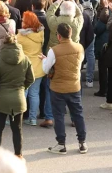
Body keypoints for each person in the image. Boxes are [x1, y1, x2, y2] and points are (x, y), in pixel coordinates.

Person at [41, 23, 87, 155]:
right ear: (71, 33)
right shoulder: (79, 47)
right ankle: (82, 143)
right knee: (78, 114)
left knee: (59, 116)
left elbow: (45, 69)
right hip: (74, 85)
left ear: (58, 36)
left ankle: (61, 144)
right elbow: (79, 64)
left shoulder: (54, 50)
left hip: (58, 87)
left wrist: (45, 60)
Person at [0, 34, 34, 157]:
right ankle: (18, 155)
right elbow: (31, 79)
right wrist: (22, 88)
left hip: (1, 99)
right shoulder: (25, 59)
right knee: (17, 129)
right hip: (18, 98)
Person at [17, 12, 45, 126]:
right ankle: (33, 118)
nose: (22, 21)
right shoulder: (41, 33)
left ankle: (19, 117)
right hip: (38, 66)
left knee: (23, 93)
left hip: (25, 67)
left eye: (24, 20)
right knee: (35, 93)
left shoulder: (21, 36)